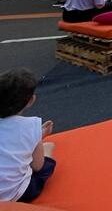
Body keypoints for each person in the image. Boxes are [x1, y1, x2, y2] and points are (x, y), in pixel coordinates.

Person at [0, 68, 56, 203]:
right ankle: (45, 148)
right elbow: (37, 167)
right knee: (45, 165)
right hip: (16, 195)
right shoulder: (31, 125)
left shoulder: (30, 128)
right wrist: (39, 137)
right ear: (31, 100)